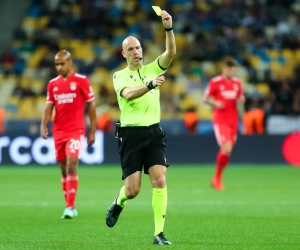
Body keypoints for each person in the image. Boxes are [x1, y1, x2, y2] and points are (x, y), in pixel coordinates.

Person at [105, 10, 176, 245]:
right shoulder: (119, 76)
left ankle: (159, 233)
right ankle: (118, 202)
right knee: (133, 189)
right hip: (131, 135)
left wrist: (168, 28)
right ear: (123, 53)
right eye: (131, 49)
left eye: (138, 48)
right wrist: (150, 85)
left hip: (153, 132)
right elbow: (130, 95)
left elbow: (171, 52)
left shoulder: (153, 68)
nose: (136, 52)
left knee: (160, 180)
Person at [40, 50, 96, 218]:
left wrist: (92, 130)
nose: (59, 67)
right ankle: (68, 204)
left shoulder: (82, 81)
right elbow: (49, 107)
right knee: (64, 168)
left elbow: (91, 107)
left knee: (72, 164)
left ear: (70, 63)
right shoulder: (52, 84)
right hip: (59, 131)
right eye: (56, 64)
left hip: (76, 129)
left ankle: (70, 207)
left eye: (62, 63)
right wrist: (43, 125)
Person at [204, 57, 245, 191]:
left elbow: (240, 99)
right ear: (224, 69)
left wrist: (241, 101)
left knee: (228, 151)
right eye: (230, 69)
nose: (232, 72)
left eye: (234, 70)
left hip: (234, 121)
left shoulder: (237, 83)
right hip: (221, 121)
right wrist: (216, 103)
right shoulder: (215, 82)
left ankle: (217, 177)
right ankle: (217, 178)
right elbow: (206, 98)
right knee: (226, 148)